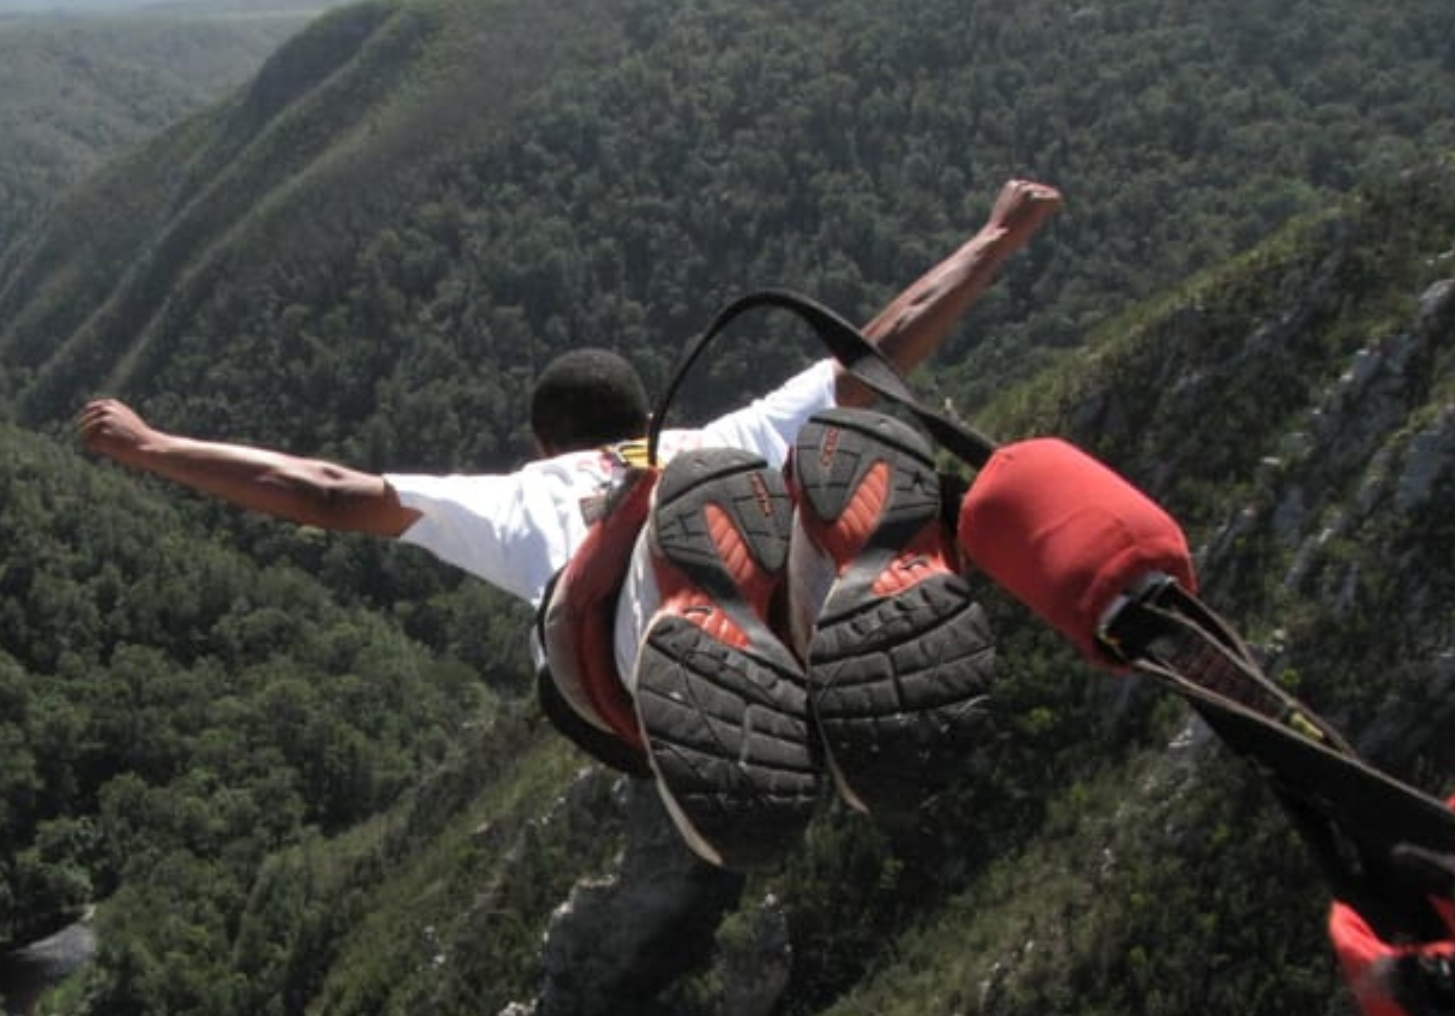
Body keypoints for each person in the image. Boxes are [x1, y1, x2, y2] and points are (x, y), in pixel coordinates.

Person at [78, 178, 1063, 867]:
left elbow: (328, 492)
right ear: (643, 417)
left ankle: (680, 613)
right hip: (745, 537)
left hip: (634, 673)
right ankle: (829, 587)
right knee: (798, 472)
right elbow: (879, 348)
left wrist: (150, 445)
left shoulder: (524, 495)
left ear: (546, 439)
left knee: (581, 638)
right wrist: (995, 236)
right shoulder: (720, 435)